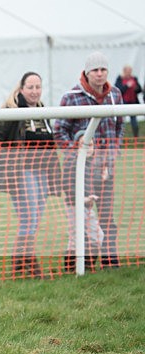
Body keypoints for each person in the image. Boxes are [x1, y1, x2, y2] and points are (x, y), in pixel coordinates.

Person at [0, 72, 62, 279]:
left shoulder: (43, 112)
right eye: (30, 87)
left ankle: (20, 266)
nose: (34, 91)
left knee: (34, 220)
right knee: (29, 219)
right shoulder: (11, 111)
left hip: (43, 173)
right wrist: (12, 164)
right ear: (21, 89)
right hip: (22, 173)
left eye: (38, 87)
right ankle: (30, 266)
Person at [54, 51, 123, 269]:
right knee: (80, 220)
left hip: (106, 169)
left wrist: (114, 151)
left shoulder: (116, 95)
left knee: (106, 218)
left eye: (103, 70)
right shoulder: (71, 97)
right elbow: (60, 131)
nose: (100, 74)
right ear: (87, 72)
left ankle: (110, 262)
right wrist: (78, 151)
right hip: (79, 171)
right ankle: (75, 264)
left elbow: (120, 126)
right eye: (95, 70)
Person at [61, 130, 104, 272]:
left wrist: (103, 177)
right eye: (83, 145)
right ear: (76, 146)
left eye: (90, 145)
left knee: (97, 236)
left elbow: (94, 185)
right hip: (73, 205)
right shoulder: (72, 162)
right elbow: (67, 186)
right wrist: (82, 198)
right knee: (75, 238)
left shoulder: (94, 163)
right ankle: (69, 269)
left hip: (87, 206)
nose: (87, 148)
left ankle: (87, 266)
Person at [114, 64, 141, 137]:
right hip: (123, 103)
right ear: (124, 71)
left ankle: (136, 136)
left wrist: (136, 88)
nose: (129, 72)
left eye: (130, 71)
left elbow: (139, 89)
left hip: (133, 102)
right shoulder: (120, 79)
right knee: (121, 120)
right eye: (128, 71)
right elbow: (117, 90)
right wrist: (126, 86)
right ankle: (120, 135)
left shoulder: (134, 78)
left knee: (134, 120)